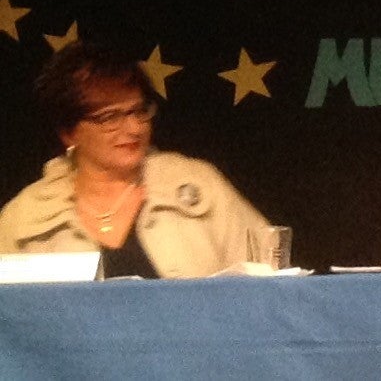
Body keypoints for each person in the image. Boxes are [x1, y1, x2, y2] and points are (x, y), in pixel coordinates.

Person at [0, 41, 269, 278]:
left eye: (139, 110)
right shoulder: (23, 220)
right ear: (69, 132)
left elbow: (274, 282)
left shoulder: (198, 185)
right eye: (109, 117)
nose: (134, 128)